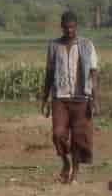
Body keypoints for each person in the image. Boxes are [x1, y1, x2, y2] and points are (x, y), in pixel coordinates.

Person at [41, 11, 99, 184]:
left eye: (72, 27)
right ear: (62, 27)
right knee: (58, 134)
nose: (69, 31)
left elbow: (93, 73)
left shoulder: (87, 45)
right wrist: (44, 99)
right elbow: (49, 73)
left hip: (81, 98)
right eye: (66, 28)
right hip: (60, 97)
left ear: (76, 27)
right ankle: (66, 163)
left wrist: (95, 100)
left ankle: (75, 173)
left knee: (78, 138)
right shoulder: (54, 46)